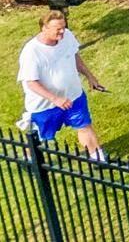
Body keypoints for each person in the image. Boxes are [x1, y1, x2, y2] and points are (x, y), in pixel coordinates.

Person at [20, 10, 105, 159]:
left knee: (84, 125)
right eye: (58, 29)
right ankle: (29, 160)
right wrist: (56, 99)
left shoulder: (67, 36)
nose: (62, 32)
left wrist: (90, 77)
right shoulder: (31, 52)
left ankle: (98, 158)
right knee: (40, 136)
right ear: (44, 28)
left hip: (73, 96)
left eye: (63, 27)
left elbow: (75, 57)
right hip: (45, 105)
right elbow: (32, 82)